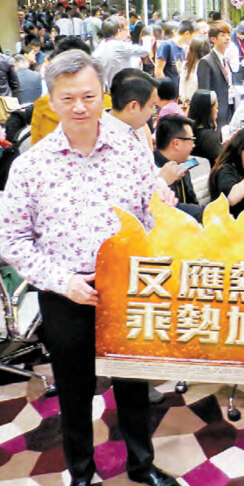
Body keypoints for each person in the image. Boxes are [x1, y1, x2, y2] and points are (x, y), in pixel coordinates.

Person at [0, 49, 179, 486]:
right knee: (74, 388)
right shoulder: (30, 166)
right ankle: (81, 472)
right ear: (50, 100)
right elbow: (12, 240)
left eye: (88, 96)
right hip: (66, 290)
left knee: (133, 381)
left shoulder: (131, 149)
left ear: (103, 95)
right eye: (67, 98)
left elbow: (150, 214)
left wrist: (163, 205)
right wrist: (63, 282)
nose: (79, 107)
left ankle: (141, 464)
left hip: (128, 287)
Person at [154, 114, 203, 223]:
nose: (193, 145)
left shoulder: (181, 164)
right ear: (176, 143)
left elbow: (192, 200)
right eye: (191, 139)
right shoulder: (152, 169)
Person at [93, 15, 149, 91]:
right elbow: (145, 51)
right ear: (119, 31)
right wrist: (147, 39)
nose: (128, 34)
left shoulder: (102, 45)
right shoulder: (119, 46)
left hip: (108, 87)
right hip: (123, 87)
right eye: (127, 30)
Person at [197, 20, 234, 131]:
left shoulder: (226, 60)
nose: (227, 38)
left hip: (229, 109)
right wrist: (210, 117)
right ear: (213, 39)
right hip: (216, 114)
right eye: (223, 35)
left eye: (228, 35)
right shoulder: (206, 62)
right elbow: (204, 92)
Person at [155, 19, 197, 93]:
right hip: (167, 92)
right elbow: (158, 70)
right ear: (187, 33)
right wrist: (166, 89)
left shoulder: (182, 49)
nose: (193, 40)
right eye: (193, 36)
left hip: (177, 90)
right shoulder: (166, 45)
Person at [187, 89, 222, 166]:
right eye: (216, 108)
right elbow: (222, 161)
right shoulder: (208, 137)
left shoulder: (187, 131)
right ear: (208, 110)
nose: (217, 111)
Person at [179, 36, 211, 107]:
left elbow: (181, 90)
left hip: (186, 104)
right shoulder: (206, 66)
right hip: (199, 105)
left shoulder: (185, 66)